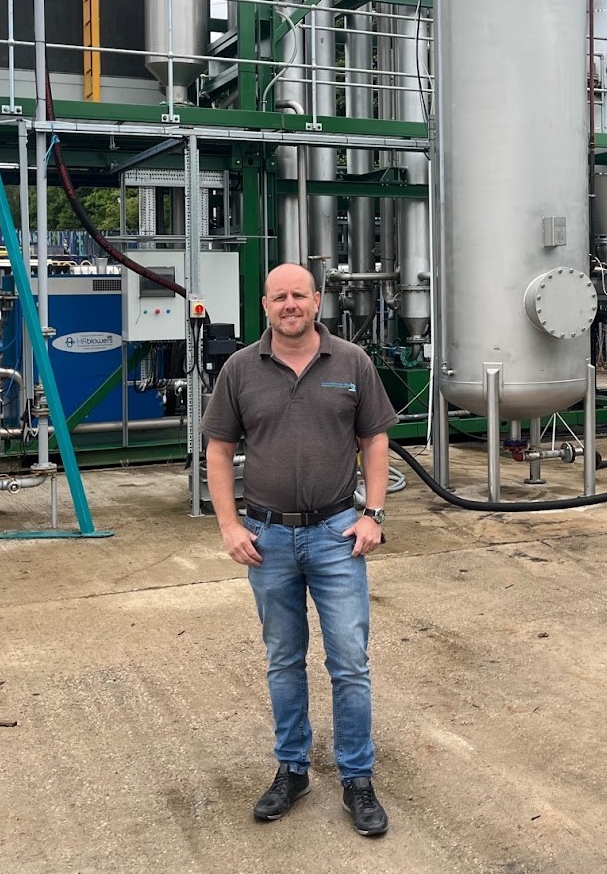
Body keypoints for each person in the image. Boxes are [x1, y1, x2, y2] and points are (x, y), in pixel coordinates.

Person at [203, 263, 398, 837]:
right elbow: (218, 450)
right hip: (267, 539)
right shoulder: (241, 368)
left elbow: (375, 438)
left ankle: (357, 779)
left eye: (299, 295)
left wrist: (374, 514)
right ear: (264, 305)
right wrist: (229, 526)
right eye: (278, 297)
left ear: (317, 301)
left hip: (337, 534)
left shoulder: (352, 362)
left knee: (350, 663)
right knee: (284, 661)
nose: (290, 305)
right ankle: (292, 769)